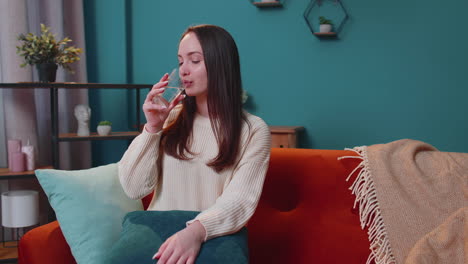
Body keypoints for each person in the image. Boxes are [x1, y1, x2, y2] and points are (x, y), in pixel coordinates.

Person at [118, 24, 271, 264]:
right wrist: (152, 129)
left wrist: (195, 233)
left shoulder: (253, 130)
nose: (183, 71)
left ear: (221, 65)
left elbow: (239, 200)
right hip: (157, 240)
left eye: (194, 61)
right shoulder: (169, 118)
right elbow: (134, 188)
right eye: (180, 62)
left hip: (211, 240)